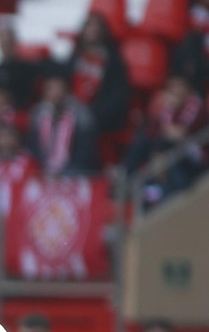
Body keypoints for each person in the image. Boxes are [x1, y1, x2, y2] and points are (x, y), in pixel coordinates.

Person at [123, 74, 207, 209]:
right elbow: (155, 132)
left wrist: (160, 147)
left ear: (187, 89)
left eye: (179, 87)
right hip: (173, 155)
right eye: (172, 88)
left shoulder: (196, 106)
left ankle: (167, 190)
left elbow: (179, 134)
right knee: (142, 140)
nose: (175, 92)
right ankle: (127, 180)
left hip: (197, 158)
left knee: (169, 145)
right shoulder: (169, 108)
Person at [65, 12, 131, 134]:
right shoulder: (75, 56)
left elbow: (118, 94)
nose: (92, 31)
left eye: (96, 28)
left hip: (97, 112)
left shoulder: (112, 60)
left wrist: (94, 111)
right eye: (89, 26)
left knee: (80, 122)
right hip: (71, 107)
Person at [28, 70, 100, 176]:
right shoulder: (37, 114)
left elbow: (85, 151)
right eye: (51, 89)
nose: (56, 93)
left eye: (59, 88)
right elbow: (33, 148)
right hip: (43, 171)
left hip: (73, 171)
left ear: (66, 91)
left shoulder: (81, 115)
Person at [0, 123, 38, 220]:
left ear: (18, 138)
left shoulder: (28, 164)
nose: (5, 142)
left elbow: (34, 196)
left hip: (20, 221)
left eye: (10, 136)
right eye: (2, 137)